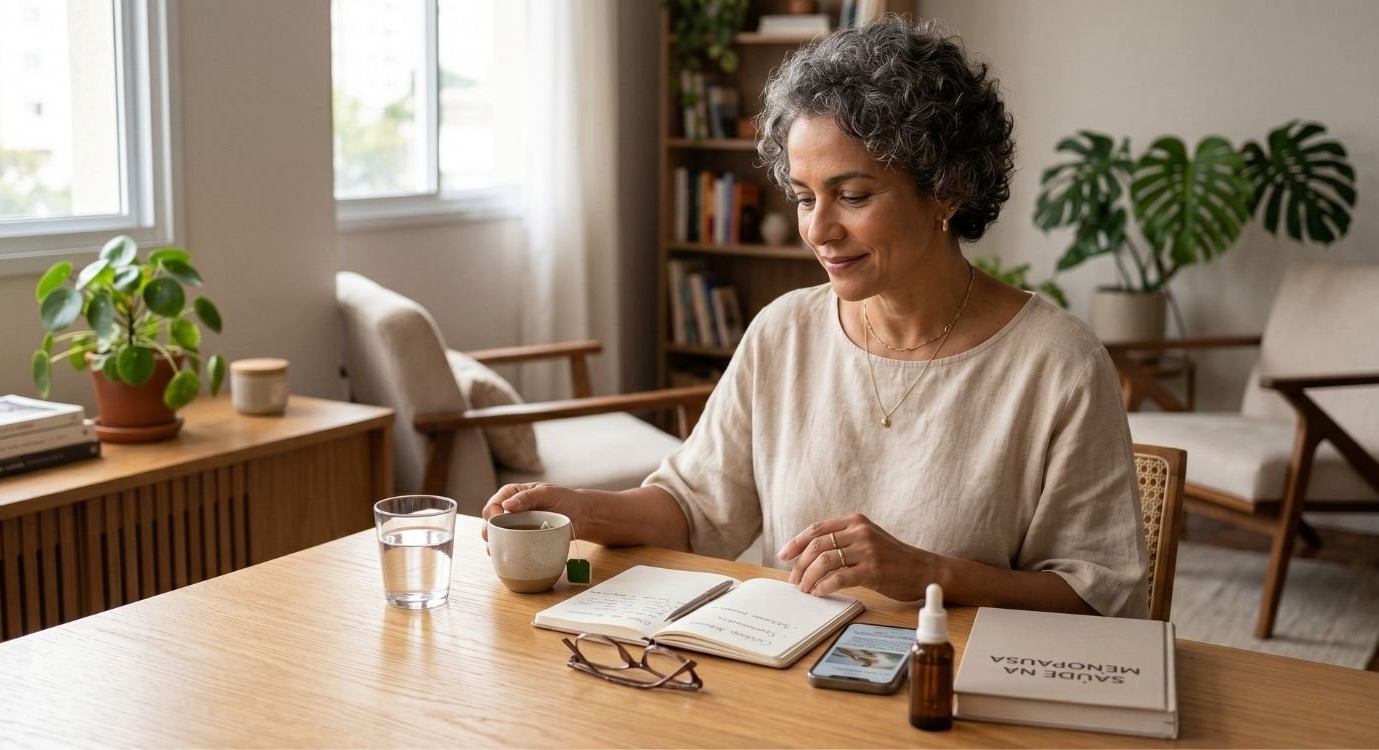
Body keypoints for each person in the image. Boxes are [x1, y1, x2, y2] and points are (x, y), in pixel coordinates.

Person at [484, 17, 1147, 618]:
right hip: (792, 678)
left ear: (946, 188)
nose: (819, 230)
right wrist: (579, 507)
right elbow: (694, 508)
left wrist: (932, 573)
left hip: (949, 694)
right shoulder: (783, 333)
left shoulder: (1058, 363)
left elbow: (1103, 599)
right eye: (804, 197)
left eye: (852, 195)